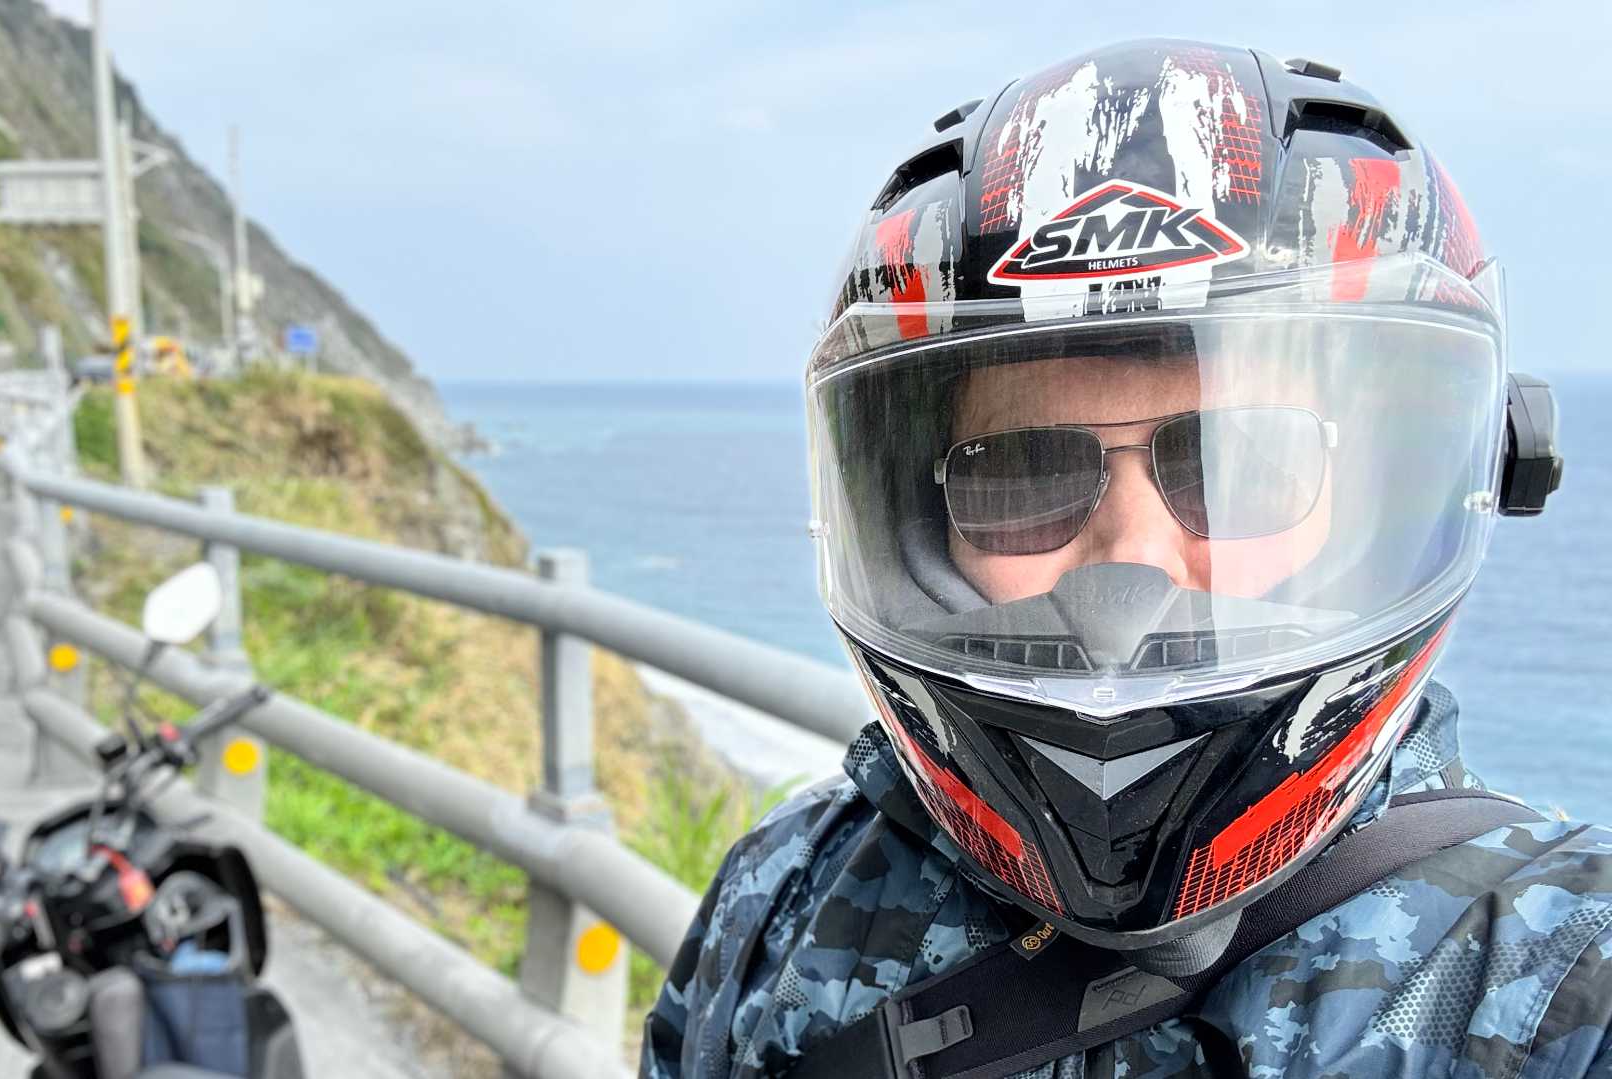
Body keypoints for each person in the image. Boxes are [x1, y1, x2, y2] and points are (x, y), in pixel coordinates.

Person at [641, 39, 1606, 1078]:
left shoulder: (1559, 978)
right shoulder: (779, 896)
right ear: (918, 526)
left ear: (1385, 494)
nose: (1131, 562)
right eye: (1019, 474)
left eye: (1242, 461)